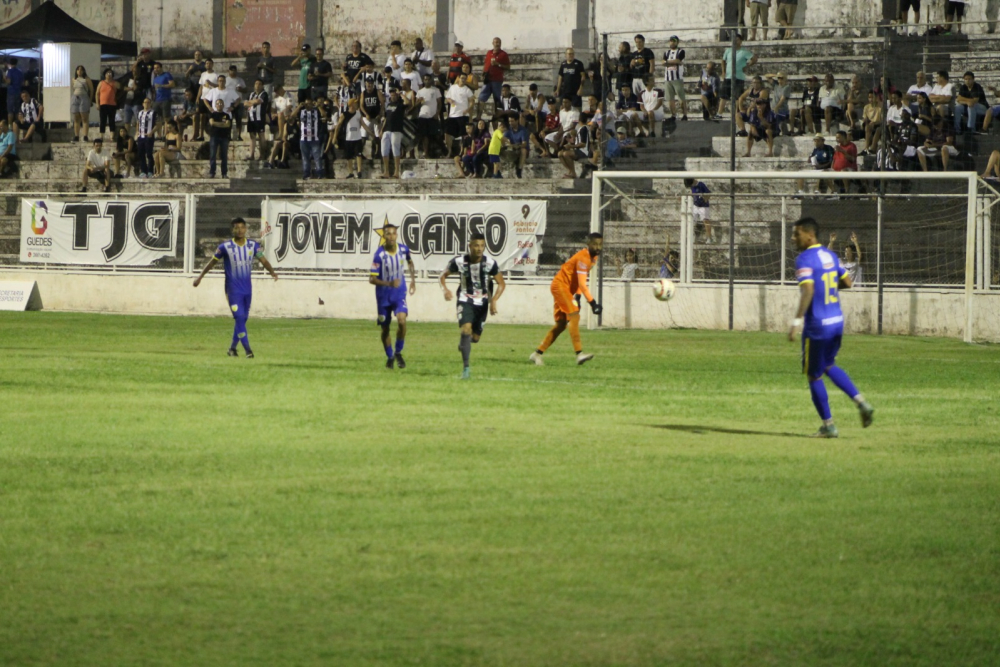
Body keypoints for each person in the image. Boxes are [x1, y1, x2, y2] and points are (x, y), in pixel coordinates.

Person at [788, 217, 874, 438]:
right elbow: (847, 283)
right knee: (828, 364)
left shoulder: (804, 259)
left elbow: (807, 291)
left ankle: (828, 425)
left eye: (796, 234)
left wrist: (796, 322)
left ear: (810, 235)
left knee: (813, 375)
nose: (793, 238)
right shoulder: (830, 255)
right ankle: (861, 402)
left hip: (817, 325)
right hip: (836, 321)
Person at [193, 217, 278, 358]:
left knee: (242, 320)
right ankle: (248, 351)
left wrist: (272, 272)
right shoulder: (224, 247)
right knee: (239, 318)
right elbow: (212, 262)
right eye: (236, 227)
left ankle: (232, 349)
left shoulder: (253, 246)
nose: (239, 230)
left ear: (246, 229)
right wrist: (200, 277)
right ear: (232, 229)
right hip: (232, 290)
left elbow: (263, 260)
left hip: (247, 290)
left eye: (242, 227)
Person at [529, 233, 603, 366]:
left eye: (600, 244)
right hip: (560, 286)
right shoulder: (583, 258)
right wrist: (593, 303)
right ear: (588, 244)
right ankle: (579, 354)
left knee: (561, 324)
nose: (598, 247)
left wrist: (578, 297)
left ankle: (537, 354)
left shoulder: (594, 258)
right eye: (595, 244)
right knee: (574, 316)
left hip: (566, 289)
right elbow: (581, 284)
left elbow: (581, 279)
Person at [440, 232, 506, 379]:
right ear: (470, 246)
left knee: (475, 338)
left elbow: (501, 283)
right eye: (476, 245)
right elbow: (442, 275)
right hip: (465, 300)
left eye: (482, 245)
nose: (479, 248)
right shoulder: (459, 262)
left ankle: (465, 343)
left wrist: (494, 300)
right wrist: (445, 289)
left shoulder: (490, 263)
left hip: (482, 303)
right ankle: (466, 369)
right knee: (466, 329)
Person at [369, 223, 416, 369]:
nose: (391, 236)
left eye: (393, 233)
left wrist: (413, 280)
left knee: (402, 321)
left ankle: (398, 352)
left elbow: (410, 261)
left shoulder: (403, 249)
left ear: (397, 235)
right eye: (388, 234)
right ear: (384, 236)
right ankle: (389, 356)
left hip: (399, 293)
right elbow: (372, 279)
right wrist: (389, 283)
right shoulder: (379, 255)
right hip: (383, 297)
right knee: (385, 329)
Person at [720, 34, 756, 117]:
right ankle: (719, 113)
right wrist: (723, 71)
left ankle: (736, 113)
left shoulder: (744, 52)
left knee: (737, 96)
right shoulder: (728, 50)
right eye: (734, 40)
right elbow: (723, 61)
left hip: (739, 76)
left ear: (740, 41)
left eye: (737, 39)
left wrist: (747, 66)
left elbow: (754, 58)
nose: (735, 41)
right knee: (723, 95)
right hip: (728, 76)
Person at [293, 96, 325, 180]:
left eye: (310, 104)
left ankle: (319, 174)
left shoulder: (316, 111)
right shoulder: (301, 111)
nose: (308, 106)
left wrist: (318, 106)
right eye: (306, 104)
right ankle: (306, 174)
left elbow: (324, 115)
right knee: (305, 158)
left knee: (317, 157)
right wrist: (299, 107)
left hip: (314, 138)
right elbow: (292, 116)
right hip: (304, 139)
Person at [478, 37, 510, 119]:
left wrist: (498, 64)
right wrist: (483, 73)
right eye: (495, 42)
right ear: (493, 43)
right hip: (488, 79)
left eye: (499, 42)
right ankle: (478, 116)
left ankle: (497, 117)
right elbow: (486, 64)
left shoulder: (503, 54)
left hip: (497, 80)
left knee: (497, 99)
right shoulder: (489, 53)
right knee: (481, 98)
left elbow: (508, 67)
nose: (497, 44)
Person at [380, 88, 408, 179]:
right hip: (387, 129)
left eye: (394, 95)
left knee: (395, 149)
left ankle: (396, 171)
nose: (393, 97)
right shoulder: (388, 105)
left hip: (396, 129)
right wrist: (382, 129)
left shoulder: (400, 105)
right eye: (391, 95)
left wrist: (401, 94)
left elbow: (407, 103)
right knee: (384, 150)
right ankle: (386, 171)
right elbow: (386, 118)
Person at [662, 36, 687, 121]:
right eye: (671, 41)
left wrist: (667, 62)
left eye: (674, 41)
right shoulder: (666, 52)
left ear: (677, 42)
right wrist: (673, 62)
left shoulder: (681, 51)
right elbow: (662, 62)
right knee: (670, 98)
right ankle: (673, 115)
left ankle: (684, 115)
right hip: (668, 78)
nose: (672, 43)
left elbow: (677, 60)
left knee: (681, 97)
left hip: (677, 77)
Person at [245, 79, 270, 161]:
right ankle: (251, 155)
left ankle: (262, 155)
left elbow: (259, 101)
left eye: (259, 84)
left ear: (262, 86)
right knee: (252, 136)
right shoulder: (251, 94)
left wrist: (251, 102)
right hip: (251, 117)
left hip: (259, 118)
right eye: (256, 83)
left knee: (261, 135)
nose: (257, 85)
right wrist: (253, 102)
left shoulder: (264, 94)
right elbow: (245, 103)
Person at [207, 98, 232, 178]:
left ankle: (224, 173)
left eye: (221, 103)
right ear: (215, 105)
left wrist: (216, 124)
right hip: (214, 136)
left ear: (223, 105)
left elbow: (227, 124)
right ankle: (212, 172)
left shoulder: (226, 115)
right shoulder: (212, 114)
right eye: (218, 103)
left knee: (224, 156)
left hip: (224, 137)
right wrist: (222, 124)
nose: (220, 105)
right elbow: (212, 123)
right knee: (213, 155)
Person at [70, 65, 95, 143]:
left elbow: (91, 90)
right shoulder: (74, 79)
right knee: (76, 118)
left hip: (84, 98)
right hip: (75, 98)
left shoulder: (86, 79)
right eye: (78, 70)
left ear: (84, 71)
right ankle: (76, 136)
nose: (79, 71)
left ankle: (85, 136)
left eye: (81, 70)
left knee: (84, 118)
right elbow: (73, 89)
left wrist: (90, 100)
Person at [685, 177, 713, 243]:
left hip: (703, 206)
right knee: (690, 220)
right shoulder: (692, 187)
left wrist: (704, 199)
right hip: (695, 205)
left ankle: (709, 238)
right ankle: (688, 237)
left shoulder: (701, 184)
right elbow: (692, 193)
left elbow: (708, 193)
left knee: (706, 221)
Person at [151, 62, 175, 138]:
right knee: (157, 119)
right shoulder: (155, 78)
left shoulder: (167, 75)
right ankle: (159, 135)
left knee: (166, 118)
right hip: (157, 100)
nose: (156, 69)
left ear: (161, 68)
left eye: (157, 67)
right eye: (154, 68)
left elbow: (172, 84)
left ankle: (166, 134)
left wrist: (162, 86)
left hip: (165, 99)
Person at [95, 68, 121, 139]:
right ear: (105, 75)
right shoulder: (101, 83)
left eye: (110, 73)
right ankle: (101, 135)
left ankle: (112, 135)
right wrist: (97, 103)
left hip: (112, 104)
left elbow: (120, 88)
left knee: (111, 120)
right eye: (107, 73)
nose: (109, 75)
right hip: (103, 104)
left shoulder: (115, 83)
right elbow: (97, 93)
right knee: (102, 120)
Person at [135, 96, 156, 178]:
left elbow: (158, 124)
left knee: (149, 154)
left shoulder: (153, 113)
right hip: (141, 136)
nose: (146, 104)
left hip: (149, 136)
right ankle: (143, 171)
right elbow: (138, 122)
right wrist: (137, 131)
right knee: (141, 154)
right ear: (142, 104)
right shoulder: (140, 113)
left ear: (150, 104)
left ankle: (150, 171)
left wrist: (152, 132)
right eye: (145, 102)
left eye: (148, 102)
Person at [4, 58, 24, 127]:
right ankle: (17, 125)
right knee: (17, 110)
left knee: (10, 111)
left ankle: (10, 127)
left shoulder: (9, 71)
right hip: (18, 92)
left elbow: (8, 82)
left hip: (11, 92)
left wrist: (4, 78)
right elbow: (22, 83)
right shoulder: (20, 71)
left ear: (9, 63)